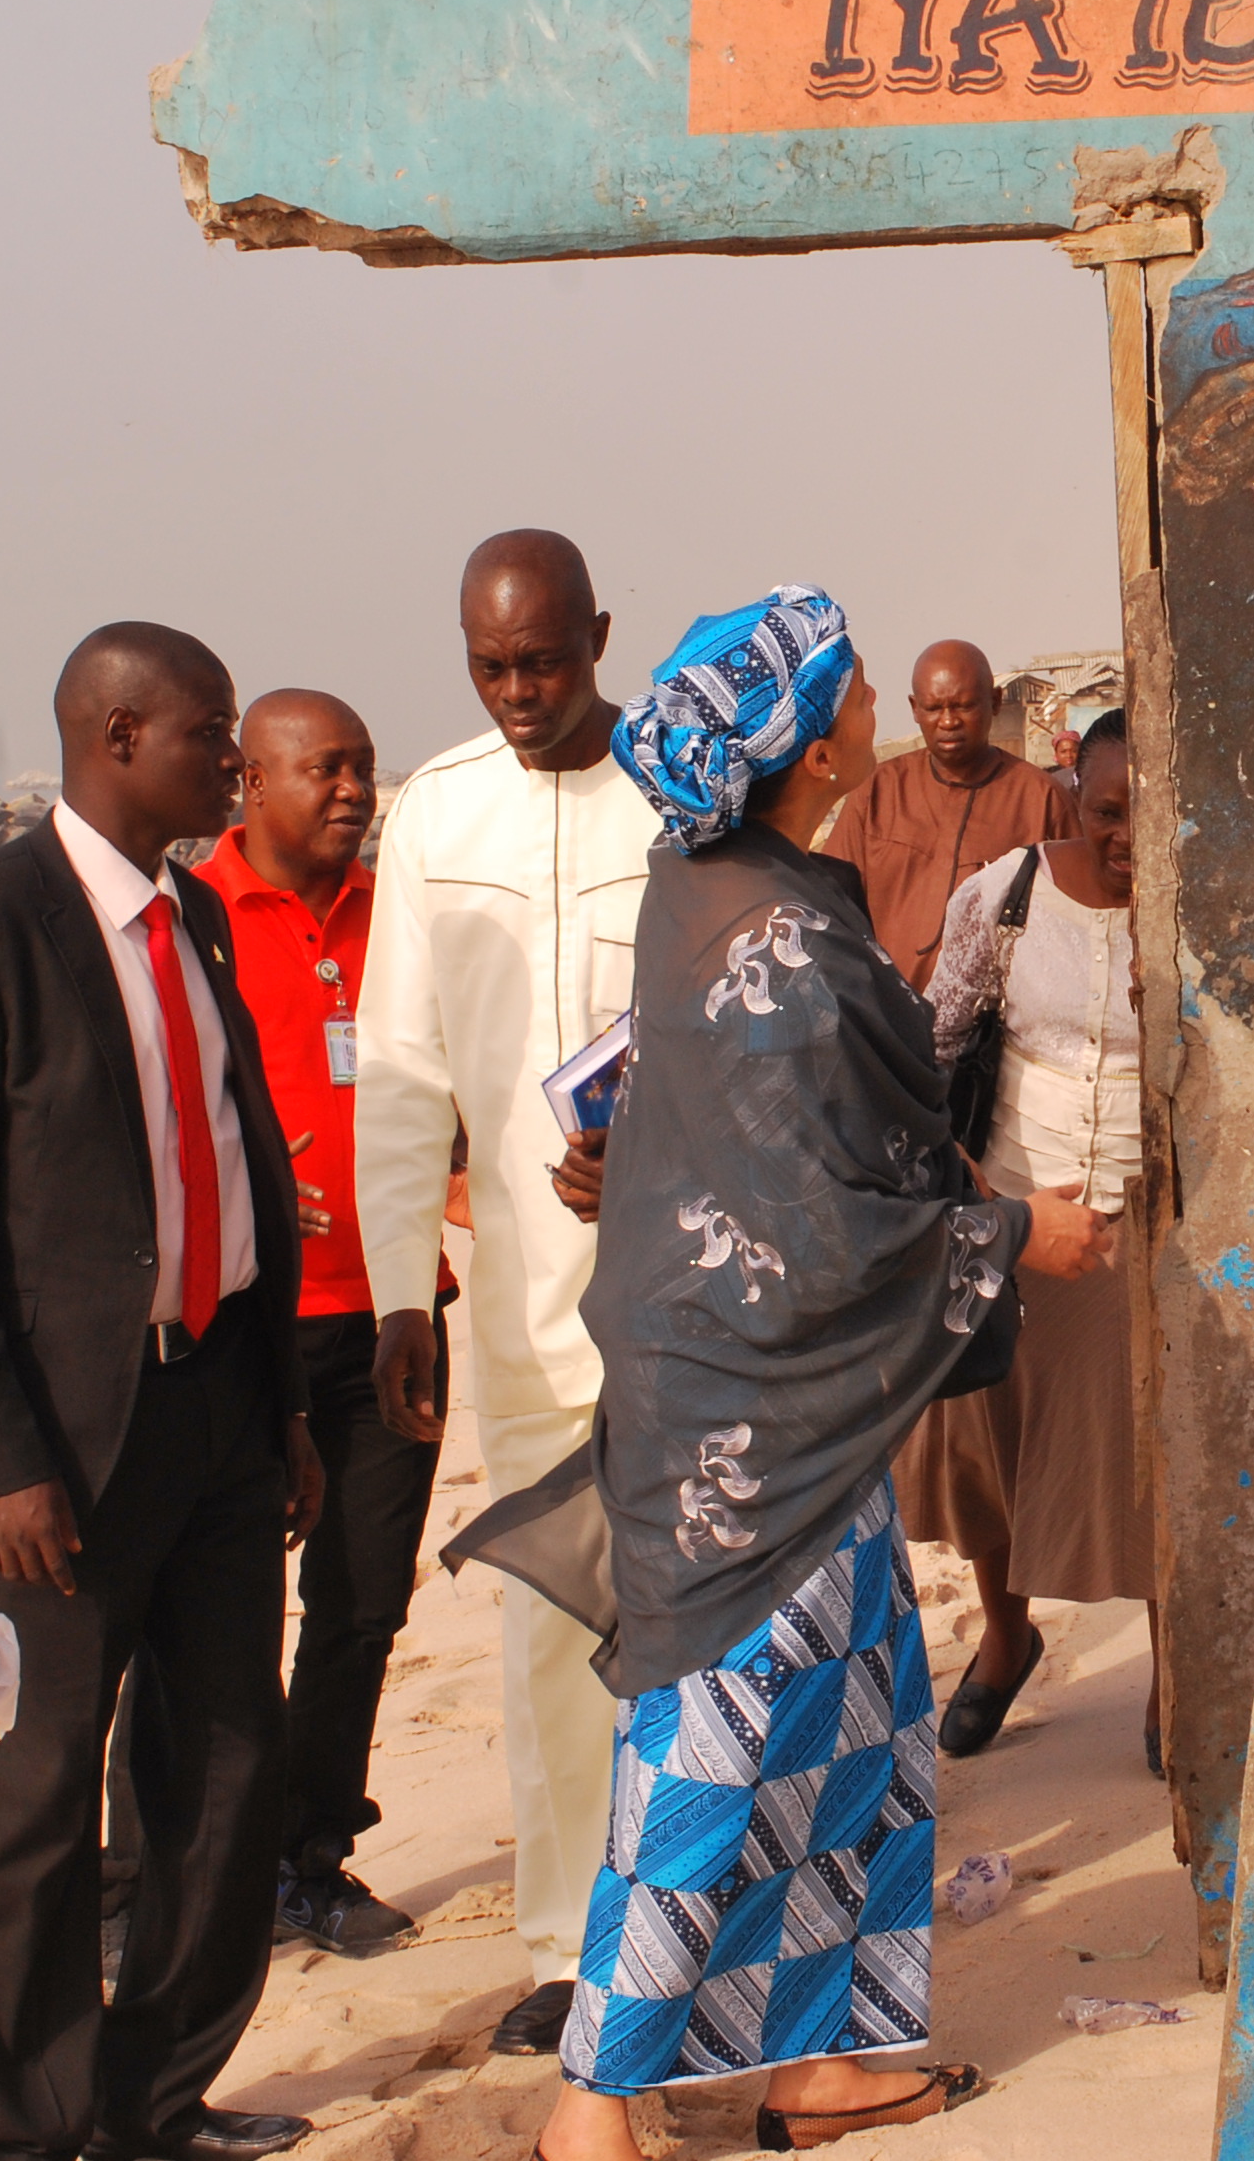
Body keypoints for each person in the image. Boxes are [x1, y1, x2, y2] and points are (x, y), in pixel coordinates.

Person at [484, 584, 1104, 2161]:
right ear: (816, 733)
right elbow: (826, 1220)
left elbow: (732, 1140)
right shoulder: (783, 938)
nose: (877, 699)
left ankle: (825, 2058)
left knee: (861, 1723)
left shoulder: (715, 878)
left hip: (771, 1403)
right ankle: (594, 2102)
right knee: (718, 1742)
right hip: (751, 1423)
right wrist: (1017, 1232)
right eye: (853, 682)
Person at [0, 624, 318, 2161]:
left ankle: (152, 2100)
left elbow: (233, 1161)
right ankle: (27, 2130)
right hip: (56, 1453)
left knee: (224, 1771)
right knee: (43, 1798)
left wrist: (277, 1419)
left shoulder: (193, 915)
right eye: (210, 733)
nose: (230, 755)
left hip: (211, 1416)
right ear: (119, 736)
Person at [351, 530, 658, 2055]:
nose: (520, 690)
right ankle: (569, 1940)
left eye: (544, 659)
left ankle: (701, 1922)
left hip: (683, 1296)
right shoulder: (434, 811)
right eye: (491, 666)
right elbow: (401, 1069)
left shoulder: (680, 787)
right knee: (548, 1630)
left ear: (599, 636)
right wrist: (403, 1285)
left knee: (698, 1615)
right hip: (521, 1312)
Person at [191, 688, 444, 1957]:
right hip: (252, 1331)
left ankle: (312, 1856)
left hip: (397, 1314)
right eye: (325, 770)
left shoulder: (399, 910)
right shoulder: (192, 922)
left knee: (360, 1605)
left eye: (364, 768)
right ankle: (174, 1878)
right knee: (220, 1618)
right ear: (250, 781)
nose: (353, 790)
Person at [900, 710, 1157, 1762]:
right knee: (980, 1456)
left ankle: (1171, 1671)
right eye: (1105, 812)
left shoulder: (1213, 901)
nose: (1127, 835)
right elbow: (929, 1045)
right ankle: (1006, 1641)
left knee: (1145, 1465)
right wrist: (963, 1194)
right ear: (1071, 800)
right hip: (1010, 1214)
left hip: (1145, 1228)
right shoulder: (1003, 897)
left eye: (1150, 813)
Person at [819, 640, 1074, 991]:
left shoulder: (1041, 798)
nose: (949, 721)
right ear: (914, 709)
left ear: (995, 702)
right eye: (934, 708)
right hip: (892, 1013)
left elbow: (1073, 918)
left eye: (964, 706)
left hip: (1000, 1020)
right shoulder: (877, 792)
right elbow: (831, 905)